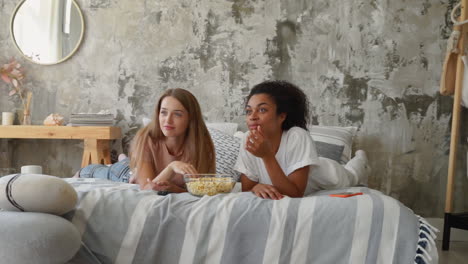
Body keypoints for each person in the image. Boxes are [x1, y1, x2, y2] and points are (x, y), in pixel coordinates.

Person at [234, 80, 369, 200]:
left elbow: (295, 194)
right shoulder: (248, 139)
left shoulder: (297, 136)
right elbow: (247, 187)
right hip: (304, 166)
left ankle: (361, 160)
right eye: (248, 111)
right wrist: (255, 187)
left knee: (353, 175)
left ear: (282, 116)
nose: (252, 117)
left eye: (262, 110)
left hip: (326, 173)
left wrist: (267, 155)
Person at [75, 88, 216, 193]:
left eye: (177, 114)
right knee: (97, 171)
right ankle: (124, 161)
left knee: (130, 163)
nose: (168, 120)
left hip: (140, 168)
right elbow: (148, 189)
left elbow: (202, 191)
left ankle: (127, 159)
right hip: (125, 174)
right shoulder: (147, 137)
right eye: (163, 112)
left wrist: (173, 189)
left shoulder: (202, 145)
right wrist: (171, 167)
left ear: (190, 119)